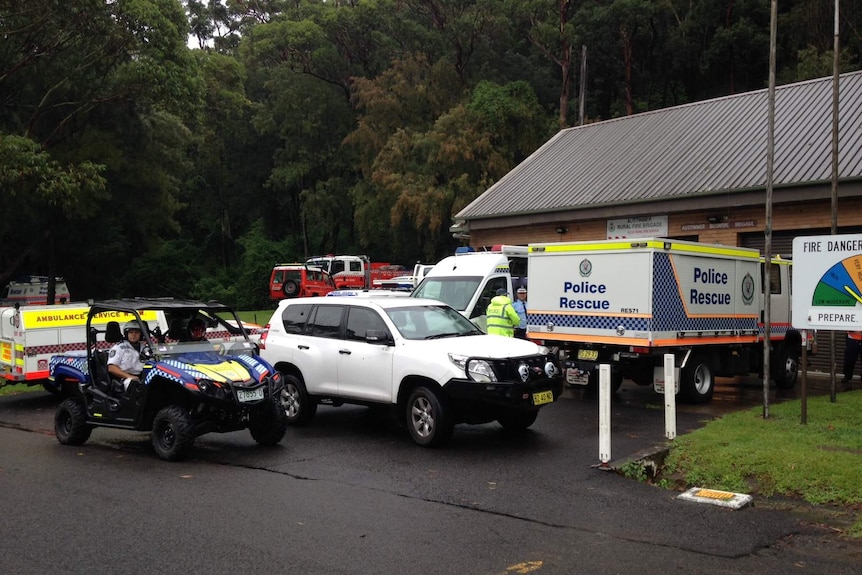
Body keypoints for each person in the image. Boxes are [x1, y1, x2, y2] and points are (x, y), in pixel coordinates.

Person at [107, 320, 147, 391]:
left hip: (144, 375)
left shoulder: (145, 348)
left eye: (136, 332)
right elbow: (111, 367)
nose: (134, 335)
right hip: (125, 378)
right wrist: (130, 377)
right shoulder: (119, 347)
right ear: (126, 334)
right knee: (134, 384)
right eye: (131, 332)